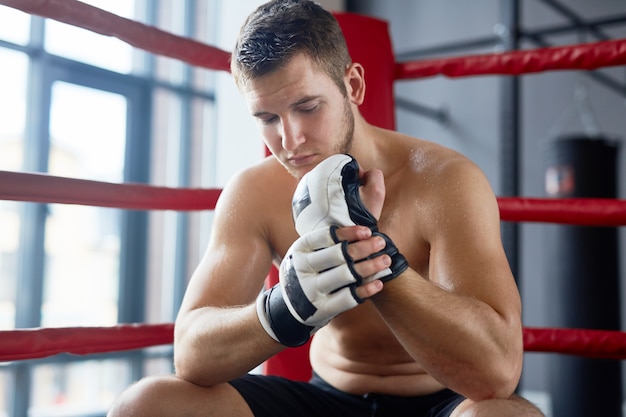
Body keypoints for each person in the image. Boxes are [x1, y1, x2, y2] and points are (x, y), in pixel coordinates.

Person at [108, 0, 545, 416]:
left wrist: (374, 260)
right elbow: (191, 354)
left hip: (441, 402)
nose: (290, 139)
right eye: (267, 118)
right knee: (143, 407)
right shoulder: (255, 193)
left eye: (307, 107)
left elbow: (496, 373)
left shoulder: (444, 180)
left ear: (352, 85)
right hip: (325, 401)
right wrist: (285, 307)